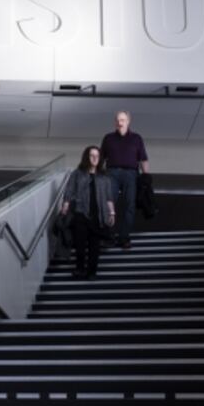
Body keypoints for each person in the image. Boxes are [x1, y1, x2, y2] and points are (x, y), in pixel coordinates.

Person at [59, 146, 115, 279]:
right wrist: (65, 205)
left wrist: (112, 213)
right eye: (92, 155)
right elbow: (69, 190)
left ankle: (92, 272)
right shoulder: (77, 174)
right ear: (86, 157)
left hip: (98, 216)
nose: (95, 158)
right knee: (80, 244)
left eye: (97, 156)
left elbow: (109, 197)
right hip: (81, 213)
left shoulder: (104, 177)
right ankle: (80, 269)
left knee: (94, 246)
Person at [100, 110, 149, 249]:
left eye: (122, 120)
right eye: (117, 120)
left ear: (128, 121)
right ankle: (109, 237)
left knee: (130, 206)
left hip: (131, 174)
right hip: (111, 174)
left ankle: (124, 237)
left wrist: (146, 177)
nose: (119, 122)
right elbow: (101, 158)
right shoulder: (108, 138)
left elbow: (143, 159)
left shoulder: (136, 138)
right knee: (108, 204)